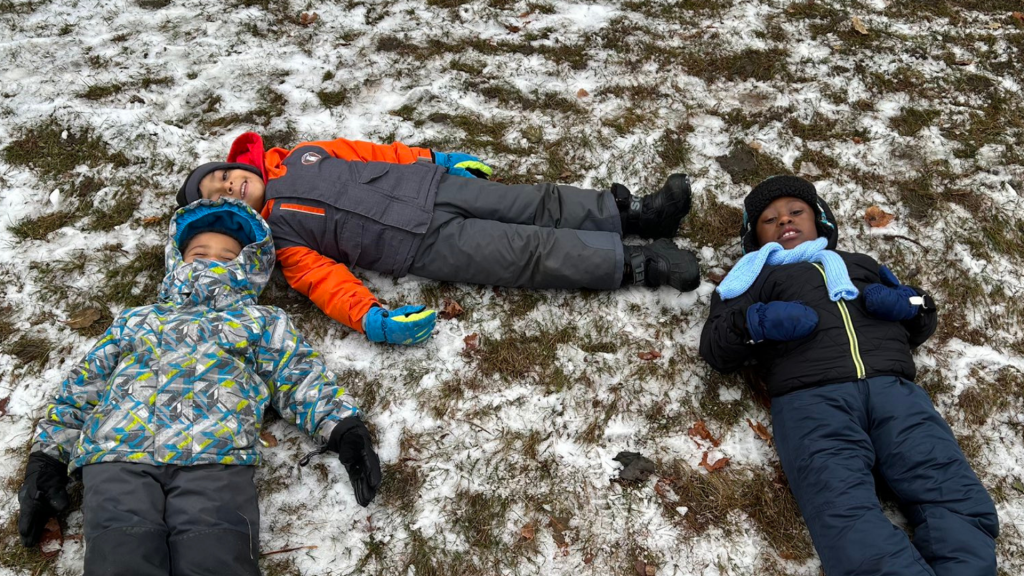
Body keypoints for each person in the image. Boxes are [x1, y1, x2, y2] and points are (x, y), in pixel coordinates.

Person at [17, 198, 382, 576]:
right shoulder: (138, 320)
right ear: (178, 259)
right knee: (121, 554)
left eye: (227, 256)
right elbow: (82, 386)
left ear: (250, 267)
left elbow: (298, 374)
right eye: (199, 252)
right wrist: (47, 460)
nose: (211, 261)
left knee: (217, 556)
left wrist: (343, 427)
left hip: (215, 457)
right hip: (119, 454)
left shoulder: (259, 322)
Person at [699, 175, 998, 576]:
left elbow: (921, 312)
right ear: (755, 237)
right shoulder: (750, 278)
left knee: (948, 488)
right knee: (841, 508)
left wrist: (906, 305)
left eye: (795, 212)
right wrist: (757, 321)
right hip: (811, 401)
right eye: (769, 220)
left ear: (819, 219)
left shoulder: (860, 265)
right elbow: (716, 346)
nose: (784, 221)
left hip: (895, 392)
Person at [176, 132, 701, 345]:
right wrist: (370, 318)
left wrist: (437, 159)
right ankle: (641, 265)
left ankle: (635, 214)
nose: (230, 184)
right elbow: (325, 281)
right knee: (526, 253)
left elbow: (375, 154)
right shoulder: (282, 236)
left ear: (236, 164)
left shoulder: (306, 154)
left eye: (224, 174)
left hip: (434, 187)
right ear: (227, 209)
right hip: (420, 245)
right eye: (221, 193)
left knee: (533, 201)